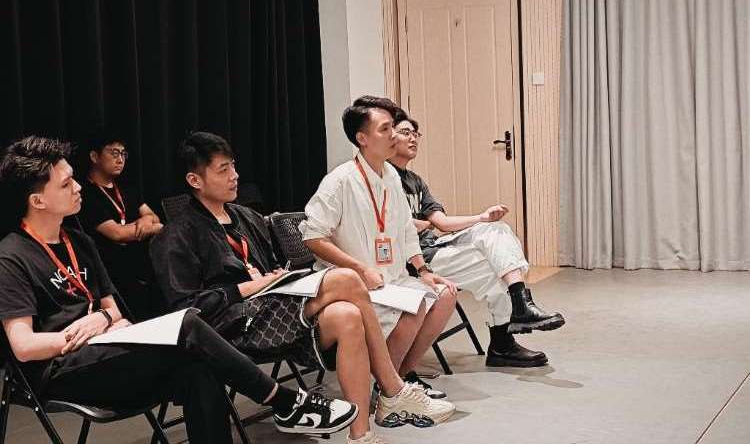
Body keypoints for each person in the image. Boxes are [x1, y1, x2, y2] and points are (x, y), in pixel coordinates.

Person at [0, 136, 360, 444]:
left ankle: (284, 404)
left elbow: (114, 310)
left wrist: (102, 320)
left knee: (199, 368)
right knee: (187, 325)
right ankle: (283, 401)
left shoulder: (78, 241)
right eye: (66, 184)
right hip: (62, 369)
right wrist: (83, 333)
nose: (79, 187)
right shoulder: (11, 257)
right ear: (38, 201)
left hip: (105, 348)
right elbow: (24, 347)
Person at [149, 132, 454, 444]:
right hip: (233, 326)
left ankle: (360, 434)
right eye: (223, 170)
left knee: (347, 315)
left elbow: (272, 268)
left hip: (272, 309)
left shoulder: (246, 217)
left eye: (234, 166)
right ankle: (392, 388)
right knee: (347, 279)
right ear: (195, 180)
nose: (234, 176)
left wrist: (275, 277)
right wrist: (248, 287)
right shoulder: (176, 235)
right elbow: (186, 309)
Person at [301, 96, 458, 394]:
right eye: (385, 129)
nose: (394, 135)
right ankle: (389, 390)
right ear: (362, 139)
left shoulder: (391, 176)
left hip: (392, 278)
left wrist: (423, 270)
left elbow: (406, 230)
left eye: (393, 128)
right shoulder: (340, 181)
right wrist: (359, 268)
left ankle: (401, 377)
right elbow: (313, 237)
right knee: (413, 308)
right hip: (359, 286)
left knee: (445, 294)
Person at [387, 109, 565, 367]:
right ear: (389, 136)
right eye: (406, 132)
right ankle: (504, 339)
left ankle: (519, 305)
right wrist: (419, 223)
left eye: (416, 134)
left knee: (495, 229)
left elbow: (442, 223)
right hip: (415, 261)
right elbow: (395, 224)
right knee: (496, 268)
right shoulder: (383, 177)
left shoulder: (416, 181)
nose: (413, 138)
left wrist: (482, 217)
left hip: (433, 246)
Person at [78, 133, 163, 320]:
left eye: (123, 154)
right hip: (113, 269)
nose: (120, 159)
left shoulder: (126, 187)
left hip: (145, 262)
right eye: (114, 153)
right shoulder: (85, 194)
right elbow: (117, 233)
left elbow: (153, 216)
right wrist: (155, 227)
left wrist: (146, 221)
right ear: (94, 156)